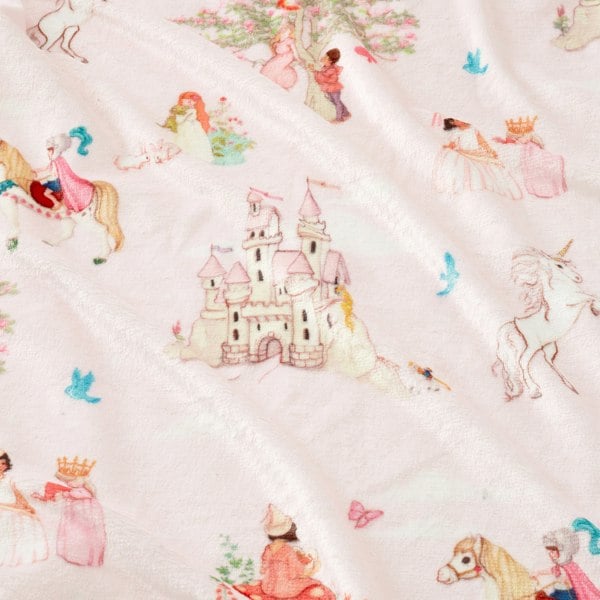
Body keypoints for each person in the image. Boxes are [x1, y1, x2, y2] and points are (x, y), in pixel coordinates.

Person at [233, 505, 336, 600]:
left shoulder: (268, 549)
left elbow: (263, 569)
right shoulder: (287, 550)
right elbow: (297, 570)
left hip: (268, 587)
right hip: (284, 589)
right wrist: (309, 570)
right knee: (313, 583)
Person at [33, 457, 106, 567]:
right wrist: (43, 497)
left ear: (83, 479)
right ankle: (73, 555)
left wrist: (65, 494)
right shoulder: (72, 490)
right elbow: (55, 498)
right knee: (73, 532)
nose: (70, 483)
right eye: (67, 481)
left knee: (85, 534)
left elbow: (83, 494)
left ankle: (84, 558)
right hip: (73, 515)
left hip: (86, 515)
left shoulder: (83, 491)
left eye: (73, 480)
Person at [434, 117, 523, 199]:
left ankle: (498, 186)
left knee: (491, 165)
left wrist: (490, 150)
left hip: (476, 152)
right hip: (465, 152)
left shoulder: (472, 129)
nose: (459, 120)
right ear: (453, 124)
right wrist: (447, 147)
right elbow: (452, 144)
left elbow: (482, 142)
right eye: (455, 121)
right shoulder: (457, 132)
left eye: (457, 119)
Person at [494, 117, 567, 198]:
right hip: (529, 152)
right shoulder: (518, 143)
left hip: (533, 153)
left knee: (540, 160)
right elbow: (509, 142)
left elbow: (534, 150)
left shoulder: (529, 145)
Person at [0, 451, 48, 566]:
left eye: (3, 464)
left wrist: (27, 506)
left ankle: (20, 554)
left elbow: (17, 494)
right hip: (3, 508)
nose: (0, 466)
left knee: (30, 518)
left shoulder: (9, 479)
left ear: (6, 465)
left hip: (12, 505)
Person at [31, 134, 95, 212]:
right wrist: (36, 170)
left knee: (45, 193)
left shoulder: (56, 161)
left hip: (54, 183)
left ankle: (56, 204)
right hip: (52, 182)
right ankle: (55, 202)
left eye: (49, 151)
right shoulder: (56, 160)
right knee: (40, 185)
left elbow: (52, 174)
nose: (48, 153)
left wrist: (39, 178)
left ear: (54, 150)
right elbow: (46, 168)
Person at [531, 528, 600, 599]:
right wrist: (538, 572)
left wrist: (563, 580)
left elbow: (570, 579)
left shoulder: (570, 566)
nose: (551, 554)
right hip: (558, 593)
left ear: (562, 551)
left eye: (553, 551)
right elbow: (552, 570)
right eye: (549, 552)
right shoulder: (561, 566)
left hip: (566, 595)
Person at [160, 91, 214, 163]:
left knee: (193, 141)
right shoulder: (182, 110)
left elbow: (180, 120)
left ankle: (197, 157)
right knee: (184, 141)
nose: (190, 103)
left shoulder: (191, 110)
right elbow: (179, 120)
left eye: (191, 101)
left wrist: (176, 116)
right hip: (185, 127)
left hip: (191, 127)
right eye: (187, 101)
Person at [309, 49, 351, 124]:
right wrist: (315, 71)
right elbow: (322, 76)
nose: (323, 58)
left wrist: (315, 72)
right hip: (330, 89)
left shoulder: (331, 69)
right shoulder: (326, 67)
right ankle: (346, 113)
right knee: (335, 101)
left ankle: (339, 118)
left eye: (325, 57)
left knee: (337, 102)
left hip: (334, 89)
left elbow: (324, 78)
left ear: (330, 61)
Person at [260, 22, 299, 89]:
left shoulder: (290, 41)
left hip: (286, 57)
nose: (284, 32)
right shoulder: (280, 40)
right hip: (280, 57)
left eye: (286, 30)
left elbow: (295, 52)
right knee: (271, 66)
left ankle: (273, 81)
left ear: (290, 32)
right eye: (283, 30)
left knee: (274, 67)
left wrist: (299, 59)